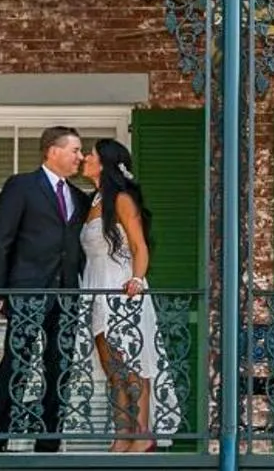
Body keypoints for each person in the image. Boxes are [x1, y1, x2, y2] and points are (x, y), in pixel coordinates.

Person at [0, 125, 87, 451]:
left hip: (67, 294)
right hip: (27, 291)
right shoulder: (22, 186)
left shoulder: (79, 197)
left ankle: (49, 441)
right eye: (76, 151)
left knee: (61, 367)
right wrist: (1, 292)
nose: (80, 158)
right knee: (16, 363)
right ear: (53, 151)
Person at [79, 139, 173, 453]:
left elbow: (139, 246)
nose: (84, 158)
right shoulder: (93, 200)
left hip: (121, 289)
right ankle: (122, 434)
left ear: (104, 163)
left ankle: (143, 433)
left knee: (132, 363)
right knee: (112, 368)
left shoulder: (121, 199)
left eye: (89, 155)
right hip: (95, 290)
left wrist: (137, 278)